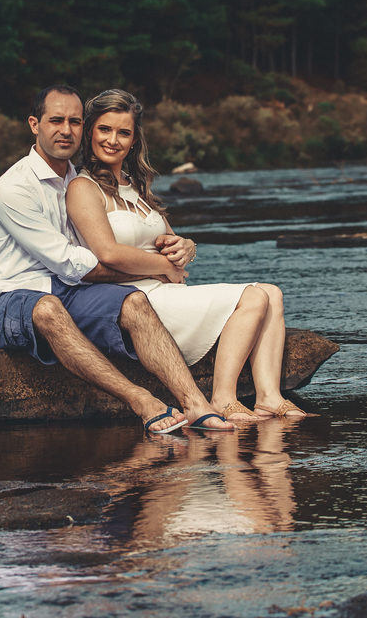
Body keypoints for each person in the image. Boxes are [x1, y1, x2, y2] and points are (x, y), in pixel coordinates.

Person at [0, 85, 234, 433]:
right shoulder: (14, 188)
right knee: (48, 308)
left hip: (66, 288)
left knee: (135, 301)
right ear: (34, 124)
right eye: (56, 121)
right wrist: (158, 269)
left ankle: (195, 403)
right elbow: (71, 264)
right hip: (10, 296)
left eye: (75, 122)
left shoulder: (77, 179)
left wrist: (183, 247)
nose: (66, 130)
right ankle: (141, 400)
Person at [65, 88, 310, 422]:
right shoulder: (83, 187)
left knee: (272, 293)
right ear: (90, 132)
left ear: (134, 140)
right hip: (134, 298)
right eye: (104, 129)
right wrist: (163, 267)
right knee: (253, 297)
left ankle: (269, 396)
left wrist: (187, 247)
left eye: (123, 132)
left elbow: (169, 237)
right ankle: (223, 398)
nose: (113, 140)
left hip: (165, 290)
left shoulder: (135, 185)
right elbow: (108, 253)